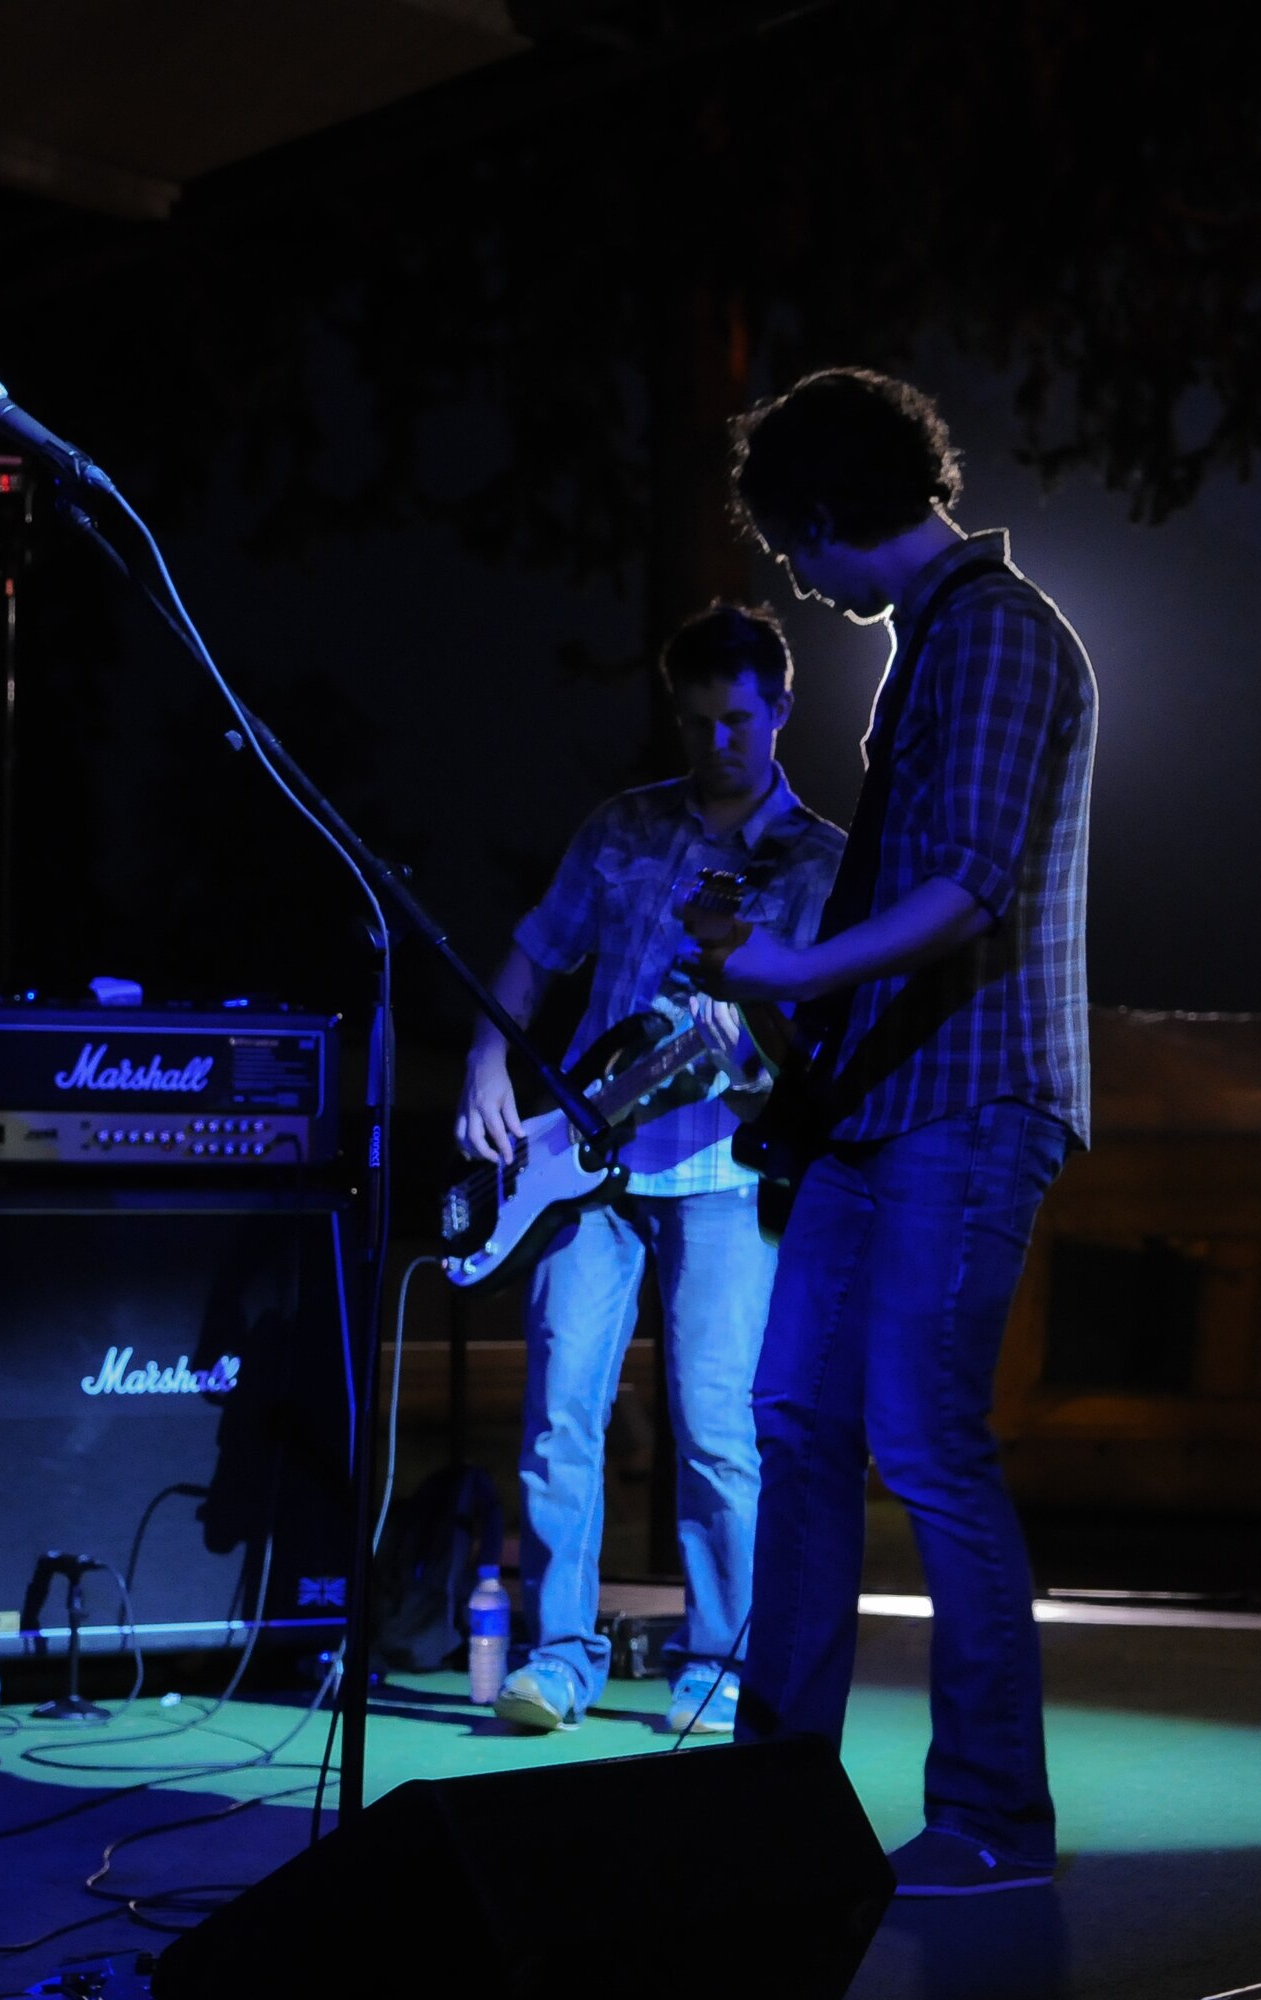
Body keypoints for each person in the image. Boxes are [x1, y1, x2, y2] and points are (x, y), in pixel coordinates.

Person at [684, 366, 1096, 1893]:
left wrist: (789, 971)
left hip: (970, 1099)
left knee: (925, 1441)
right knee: (795, 1422)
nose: (793, 577)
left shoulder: (993, 633)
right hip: (882, 1107)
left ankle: (993, 1819)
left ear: (823, 512)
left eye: (789, 544)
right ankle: (773, 1792)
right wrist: (781, 990)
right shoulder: (933, 641)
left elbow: (970, 886)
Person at [455, 603, 845, 1734]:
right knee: (556, 1418)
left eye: (737, 720)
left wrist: (759, 1042)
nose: (716, 742)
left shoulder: (820, 861)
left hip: (723, 1170)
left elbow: (824, 1033)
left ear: (780, 709)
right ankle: (557, 1659)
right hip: (582, 1167)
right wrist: (486, 1054)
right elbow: (537, 949)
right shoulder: (622, 826)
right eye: (695, 720)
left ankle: (718, 1665)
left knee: (717, 1429)